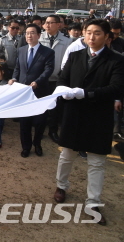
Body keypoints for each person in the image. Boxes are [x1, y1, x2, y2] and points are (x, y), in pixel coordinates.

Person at [54, 19, 124, 225]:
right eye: (88, 32)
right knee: (66, 155)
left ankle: (93, 202)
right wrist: (62, 91)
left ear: (107, 37)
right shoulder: (76, 56)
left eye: (97, 33)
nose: (91, 37)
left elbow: (116, 88)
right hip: (73, 114)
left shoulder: (116, 60)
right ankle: (61, 186)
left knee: (97, 161)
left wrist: (86, 93)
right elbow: (62, 78)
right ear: (83, 34)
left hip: (98, 117)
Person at [9, 24, 54, 158]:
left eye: (32, 33)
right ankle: (26, 147)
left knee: (40, 122)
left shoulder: (48, 52)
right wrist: (14, 78)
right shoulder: (21, 50)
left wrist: (37, 82)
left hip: (40, 92)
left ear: (39, 35)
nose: (29, 36)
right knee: (24, 122)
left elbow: (48, 70)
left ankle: (37, 144)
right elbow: (18, 68)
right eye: (27, 33)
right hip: (24, 92)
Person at [39, 14, 72, 144]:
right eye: (46, 22)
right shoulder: (39, 38)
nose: (47, 25)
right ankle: (39, 130)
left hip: (57, 79)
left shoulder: (67, 41)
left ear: (58, 25)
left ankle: (52, 130)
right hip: (41, 78)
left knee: (55, 107)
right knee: (41, 106)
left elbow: (68, 62)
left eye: (51, 23)